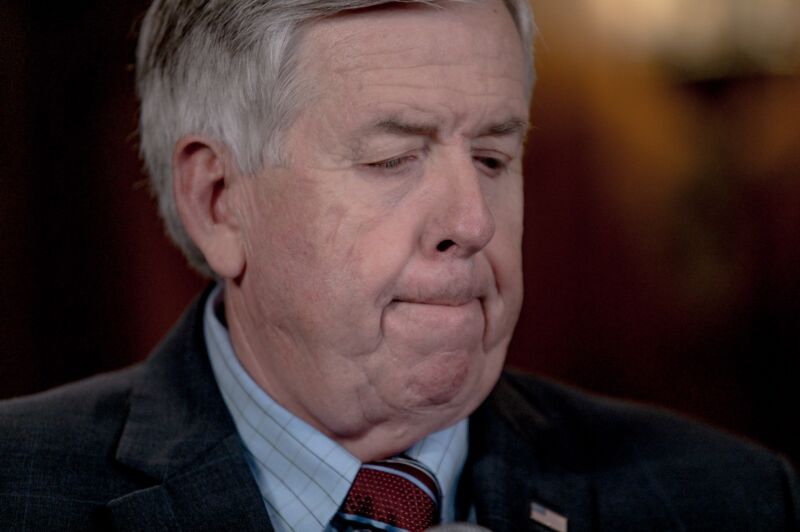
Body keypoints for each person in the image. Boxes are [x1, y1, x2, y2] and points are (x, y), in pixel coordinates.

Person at [1, 1, 797, 530]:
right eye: (392, 159)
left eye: (493, 157)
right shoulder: (20, 489)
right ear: (219, 202)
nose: (472, 223)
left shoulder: (730, 500)